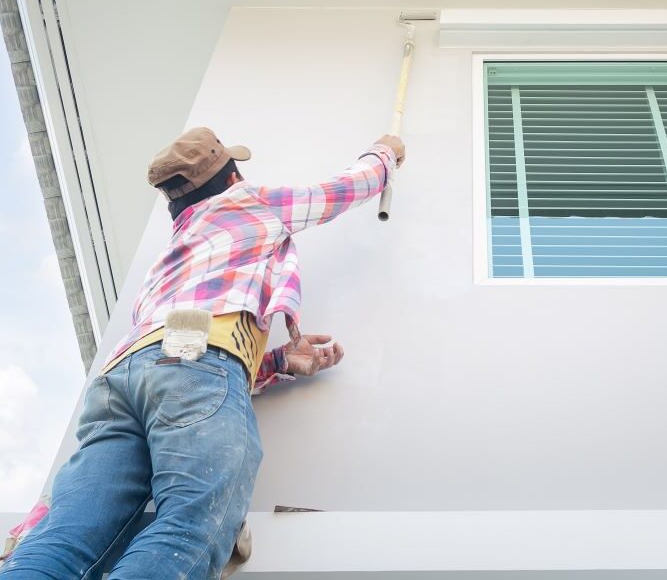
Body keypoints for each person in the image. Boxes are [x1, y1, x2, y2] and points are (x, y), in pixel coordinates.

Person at [1, 126, 404, 580]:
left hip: (120, 381)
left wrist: (276, 363)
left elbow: (173, 364)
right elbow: (344, 189)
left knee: (67, 538)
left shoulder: (169, 256)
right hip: (190, 361)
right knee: (193, 525)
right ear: (233, 178)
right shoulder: (248, 204)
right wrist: (384, 154)